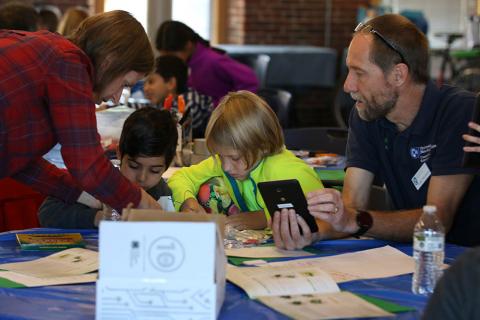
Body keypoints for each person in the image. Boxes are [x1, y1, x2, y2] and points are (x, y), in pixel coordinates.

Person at [273, 13, 480, 250]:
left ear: (398, 75)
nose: (347, 86)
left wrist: (357, 220)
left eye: (359, 73)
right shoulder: (367, 113)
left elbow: (437, 221)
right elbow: (350, 209)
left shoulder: (459, 112)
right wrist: (311, 232)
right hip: (405, 259)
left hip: (465, 263)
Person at [0, 10, 162, 215]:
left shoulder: (50, 52)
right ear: (109, 61)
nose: (115, 97)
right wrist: (143, 204)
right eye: (124, 84)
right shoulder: (69, 64)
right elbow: (88, 164)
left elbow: (18, 159)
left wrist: (84, 195)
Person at [167, 90, 326, 230]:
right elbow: (181, 176)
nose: (226, 167)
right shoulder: (230, 158)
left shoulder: (288, 172)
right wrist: (187, 202)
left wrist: (264, 218)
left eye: (234, 158)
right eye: (220, 156)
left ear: (262, 145)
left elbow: (321, 219)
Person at [38, 107, 178, 228]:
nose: (142, 178)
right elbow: (46, 213)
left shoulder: (161, 193)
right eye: (134, 166)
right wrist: (97, 218)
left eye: (154, 170)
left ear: (167, 166)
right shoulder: (96, 180)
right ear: (119, 153)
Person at [155, 20, 259, 106]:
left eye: (171, 55)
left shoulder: (213, 60)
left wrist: (228, 106)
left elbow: (250, 80)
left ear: (188, 45)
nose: (168, 60)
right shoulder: (189, 62)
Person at [143, 55, 214, 138]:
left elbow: (172, 131)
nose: (145, 88)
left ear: (170, 83)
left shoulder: (190, 102)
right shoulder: (161, 103)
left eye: (151, 82)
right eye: (144, 83)